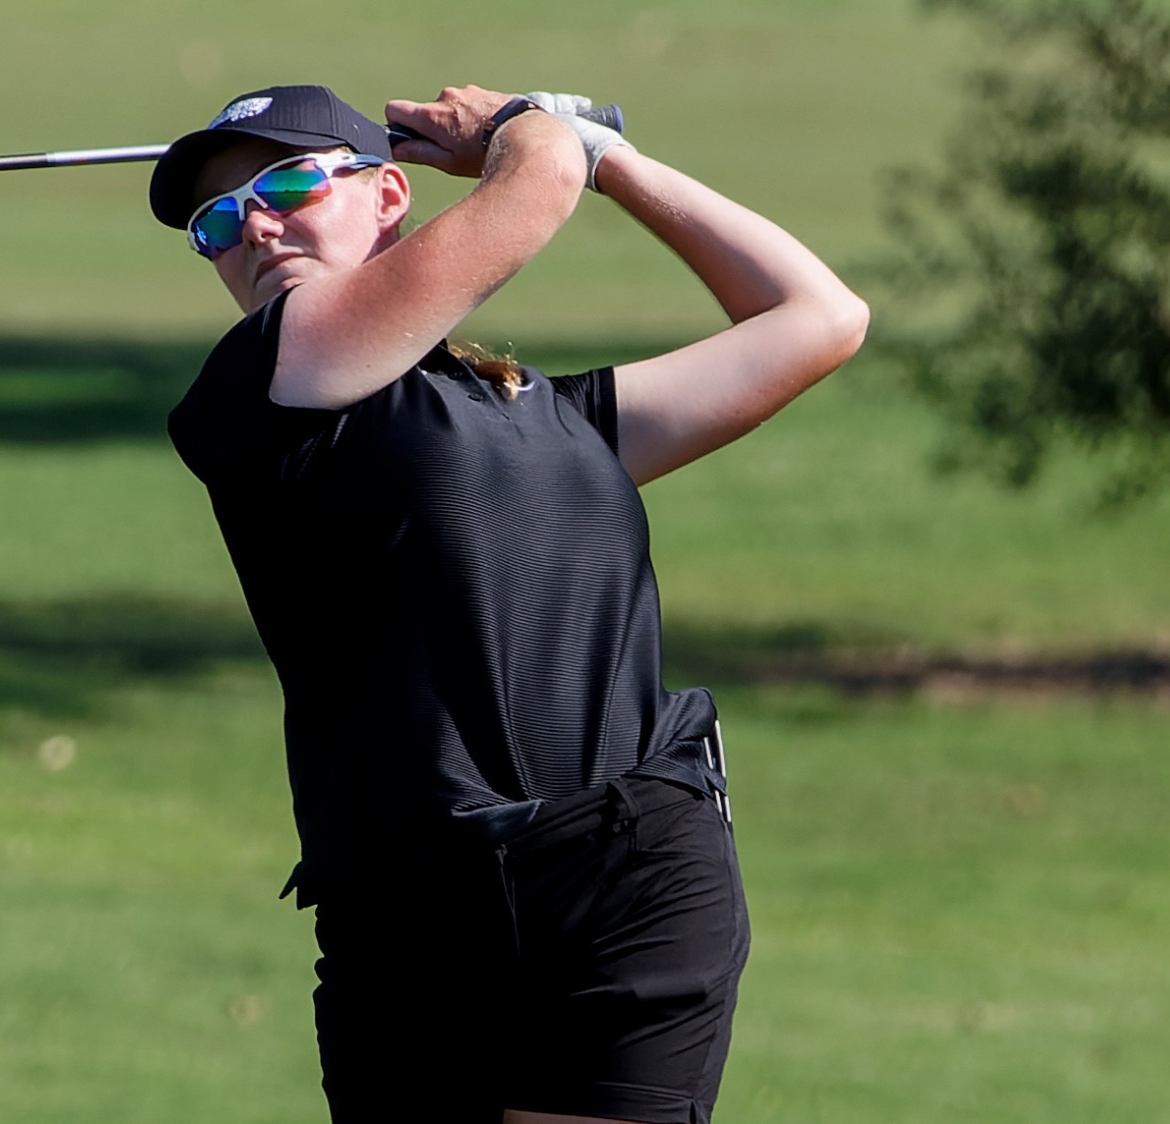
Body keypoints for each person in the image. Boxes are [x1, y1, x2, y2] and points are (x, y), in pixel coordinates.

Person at [149, 84, 867, 1124]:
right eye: (217, 222)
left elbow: (815, 318)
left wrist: (610, 159)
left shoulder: (550, 413)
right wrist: (534, 129)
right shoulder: (258, 385)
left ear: (388, 194)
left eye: (290, 183)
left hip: (619, 869)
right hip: (404, 909)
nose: (252, 226)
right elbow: (534, 187)